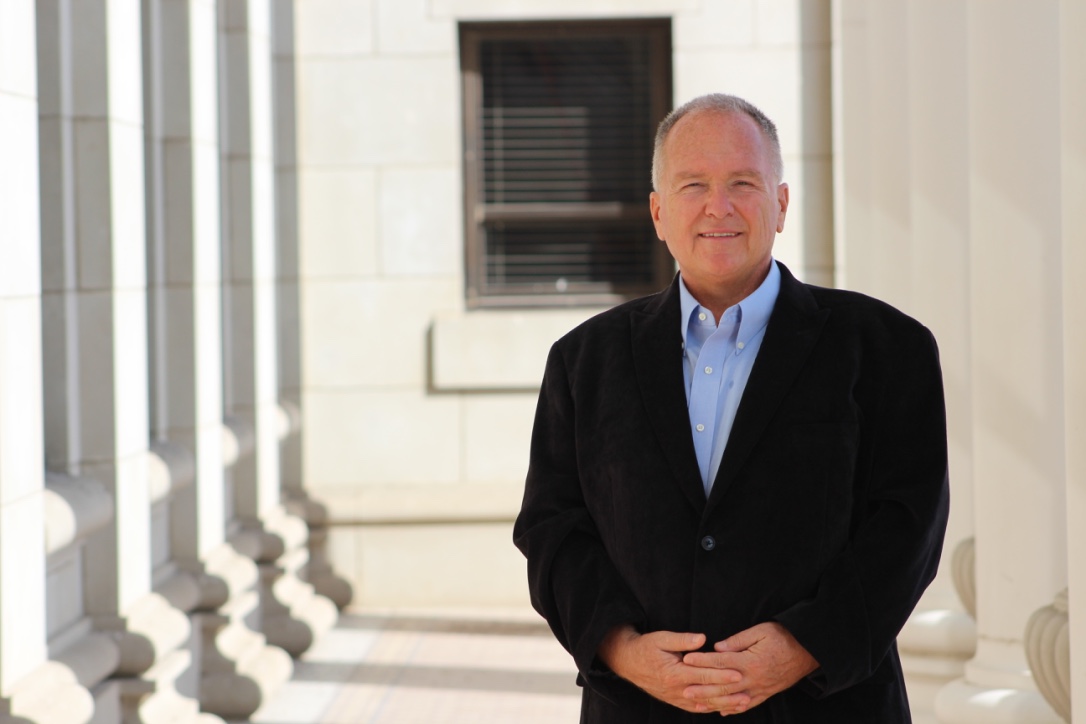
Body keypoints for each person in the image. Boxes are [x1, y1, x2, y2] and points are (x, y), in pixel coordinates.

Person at [513, 93, 950, 722]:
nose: (719, 206)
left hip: (827, 706)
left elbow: (909, 526)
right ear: (659, 213)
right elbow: (552, 529)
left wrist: (805, 647)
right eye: (694, 185)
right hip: (639, 708)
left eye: (743, 182)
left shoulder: (886, 347)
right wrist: (622, 650)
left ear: (780, 204)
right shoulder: (584, 360)